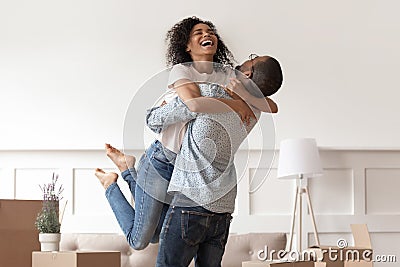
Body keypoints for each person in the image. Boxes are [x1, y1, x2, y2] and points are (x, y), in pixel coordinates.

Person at [94, 16, 264, 250]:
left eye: (210, 31)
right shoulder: (181, 70)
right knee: (140, 240)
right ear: (187, 45)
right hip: (161, 162)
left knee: (159, 235)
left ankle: (126, 167)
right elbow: (194, 104)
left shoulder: (225, 76)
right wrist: (236, 104)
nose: (207, 35)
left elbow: (270, 105)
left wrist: (249, 99)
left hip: (187, 170)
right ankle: (111, 183)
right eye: (198, 32)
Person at [146, 55, 283, 267]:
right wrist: (245, 94)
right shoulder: (254, 112)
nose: (248, 58)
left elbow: (153, 120)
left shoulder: (208, 94)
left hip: (191, 201)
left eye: (252, 59)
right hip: (223, 208)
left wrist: (167, 105)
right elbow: (271, 105)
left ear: (248, 73)